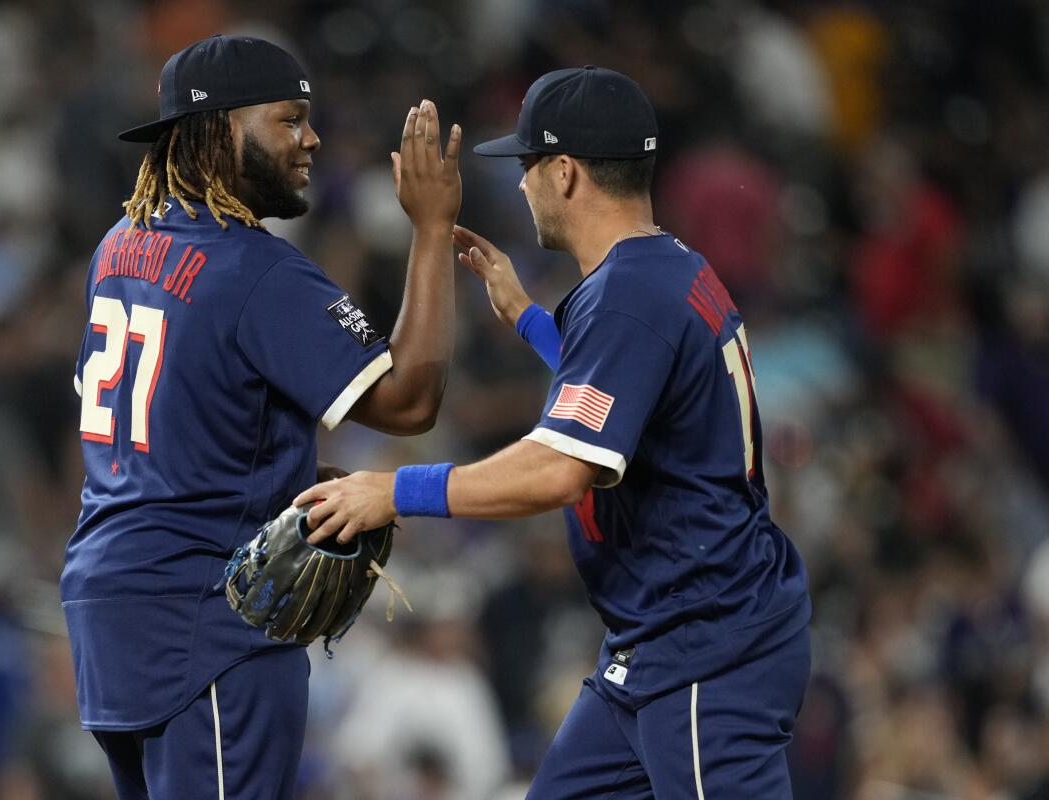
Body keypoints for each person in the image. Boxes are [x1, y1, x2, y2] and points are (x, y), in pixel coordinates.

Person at [297, 66, 811, 798]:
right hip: (660, 642)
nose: (521, 183)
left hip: (706, 644)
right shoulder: (670, 268)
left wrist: (395, 489)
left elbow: (558, 469)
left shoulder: (628, 296)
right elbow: (638, 395)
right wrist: (532, 320)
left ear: (566, 172)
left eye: (529, 164)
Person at [60, 35, 461, 799]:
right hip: (206, 618)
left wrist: (284, 470)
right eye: (288, 120)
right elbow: (410, 401)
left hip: (109, 606)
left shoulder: (118, 246)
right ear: (215, 132)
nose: (311, 138)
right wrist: (433, 227)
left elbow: (175, 411)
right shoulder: (256, 269)